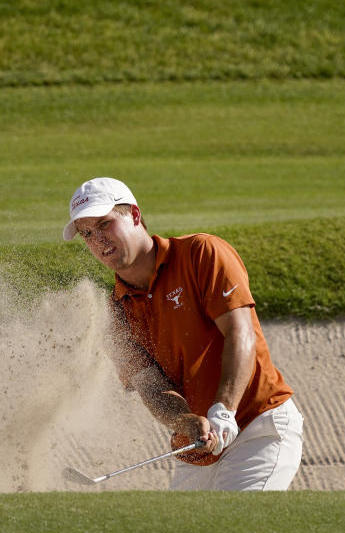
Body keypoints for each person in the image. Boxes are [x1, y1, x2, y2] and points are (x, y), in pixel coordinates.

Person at [62, 177, 303, 491]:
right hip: (196, 449)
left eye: (105, 224)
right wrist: (183, 421)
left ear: (134, 215)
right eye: (87, 234)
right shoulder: (114, 314)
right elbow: (150, 385)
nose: (98, 240)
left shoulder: (201, 253)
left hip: (258, 426)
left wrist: (224, 409)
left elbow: (240, 333)